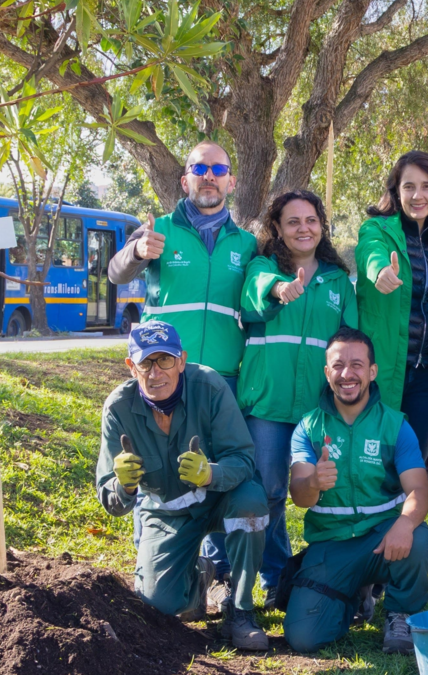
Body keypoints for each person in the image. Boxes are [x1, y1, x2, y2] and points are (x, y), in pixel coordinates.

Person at [108, 141, 258, 589]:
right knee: (156, 468)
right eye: (200, 168)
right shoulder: (158, 230)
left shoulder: (247, 243)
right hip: (164, 377)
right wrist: (136, 252)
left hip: (223, 379)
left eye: (218, 169)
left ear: (231, 180)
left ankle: (219, 571)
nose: (209, 176)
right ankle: (151, 555)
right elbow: (116, 272)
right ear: (185, 179)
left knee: (216, 471)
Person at [95, 321, 268, 650]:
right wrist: (125, 487)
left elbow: (244, 460)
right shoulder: (117, 408)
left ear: (182, 361)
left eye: (165, 360)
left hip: (222, 497)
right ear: (132, 367)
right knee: (157, 605)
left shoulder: (211, 387)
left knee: (251, 507)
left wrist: (210, 474)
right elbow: (111, 499)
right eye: (146, 362)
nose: (155, 372)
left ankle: (241, 612)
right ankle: (201, 576)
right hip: (168, 511)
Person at [236, 190, 357, 609]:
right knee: (267, 492)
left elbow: (351, 342)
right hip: (267, 407)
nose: (303, 228)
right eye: (292, 221)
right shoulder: (262, 267)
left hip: (317, 410)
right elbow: (255, 293)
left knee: (328, 492)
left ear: (322, 226)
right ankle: (272, 577)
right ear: (277, 228)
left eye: (311, 220)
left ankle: (342, 579)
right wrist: (279, 290)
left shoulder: (338, 281)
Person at [282, 328, 428, 656]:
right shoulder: (309, 428)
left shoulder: (395, 425)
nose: (346, 374)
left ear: (372, 371)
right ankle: (353, 595)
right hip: (331, 545)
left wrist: (405, 525)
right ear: (327, 372)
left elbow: (419, 491)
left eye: (356, 365)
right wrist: (313, 483)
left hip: (383, 539)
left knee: (419, 539)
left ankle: (401, 614)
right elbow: (300, 497)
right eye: (337, 366)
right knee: (303, 638)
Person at [355, 151, 428, 460]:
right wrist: (380, 271)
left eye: (427, 186)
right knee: (372, 461)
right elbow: (369, 253)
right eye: (409, 186)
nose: (419, 195)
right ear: (396, 190)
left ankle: (407, 510)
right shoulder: (377, 230)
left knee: (411, 463)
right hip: (384, 369)